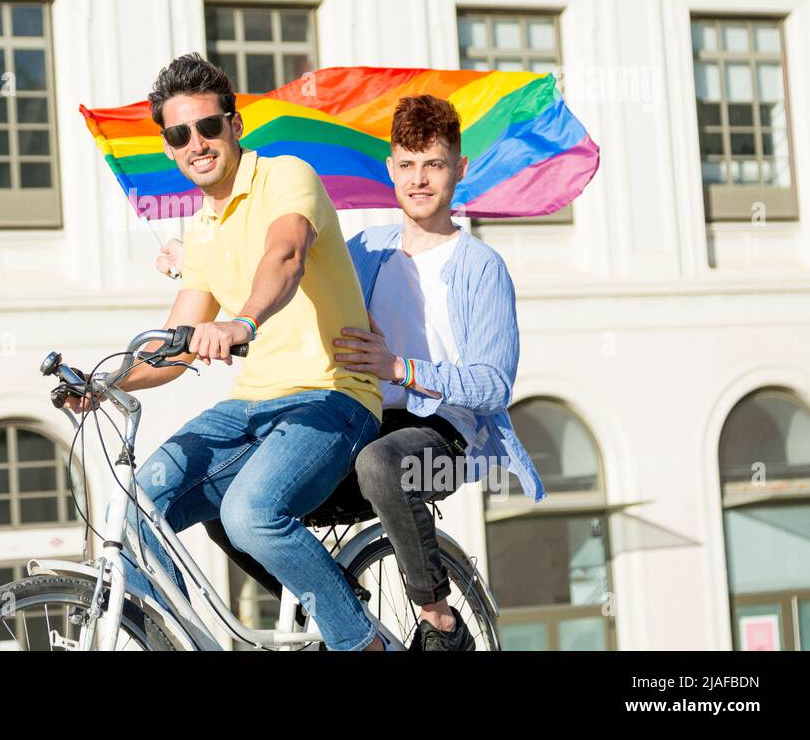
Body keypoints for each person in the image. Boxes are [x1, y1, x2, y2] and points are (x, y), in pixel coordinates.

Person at [158, 94, 546, 651]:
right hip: (360, 417)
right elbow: (289, 279)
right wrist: (194, 258)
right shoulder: (366, 249)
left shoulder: (481, 266)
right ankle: (341, 608)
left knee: (382, 463)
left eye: (434, 165)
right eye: (407, 165)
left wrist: (401, 368)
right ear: (390, 169)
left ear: (458, 170)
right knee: (226, 497)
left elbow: (493, 385)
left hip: (446, 440)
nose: (419, 180)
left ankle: (440, 620)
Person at [70, 52, 387, 651]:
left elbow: (286, 255)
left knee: (249, 514)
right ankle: (179, 640)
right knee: (136, 509)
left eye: (209, 126)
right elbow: (175, 347)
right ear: (168, 146)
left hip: (333, 396)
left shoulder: (285, 176)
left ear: (234, 126)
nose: (197, 143)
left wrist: (243, 320)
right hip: (251, 409)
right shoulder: (200, 230)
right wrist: (104, 382)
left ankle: (364, 643)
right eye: (180, 134)